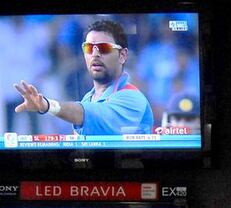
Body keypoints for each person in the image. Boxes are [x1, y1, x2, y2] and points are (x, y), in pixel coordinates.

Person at [13, 19, 154, 135]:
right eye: (89, 48)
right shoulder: (88, 98)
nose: (95, 54)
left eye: (103, 48)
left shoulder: (132, 97)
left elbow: (88, 114)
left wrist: (47, 105)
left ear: (122, 55)